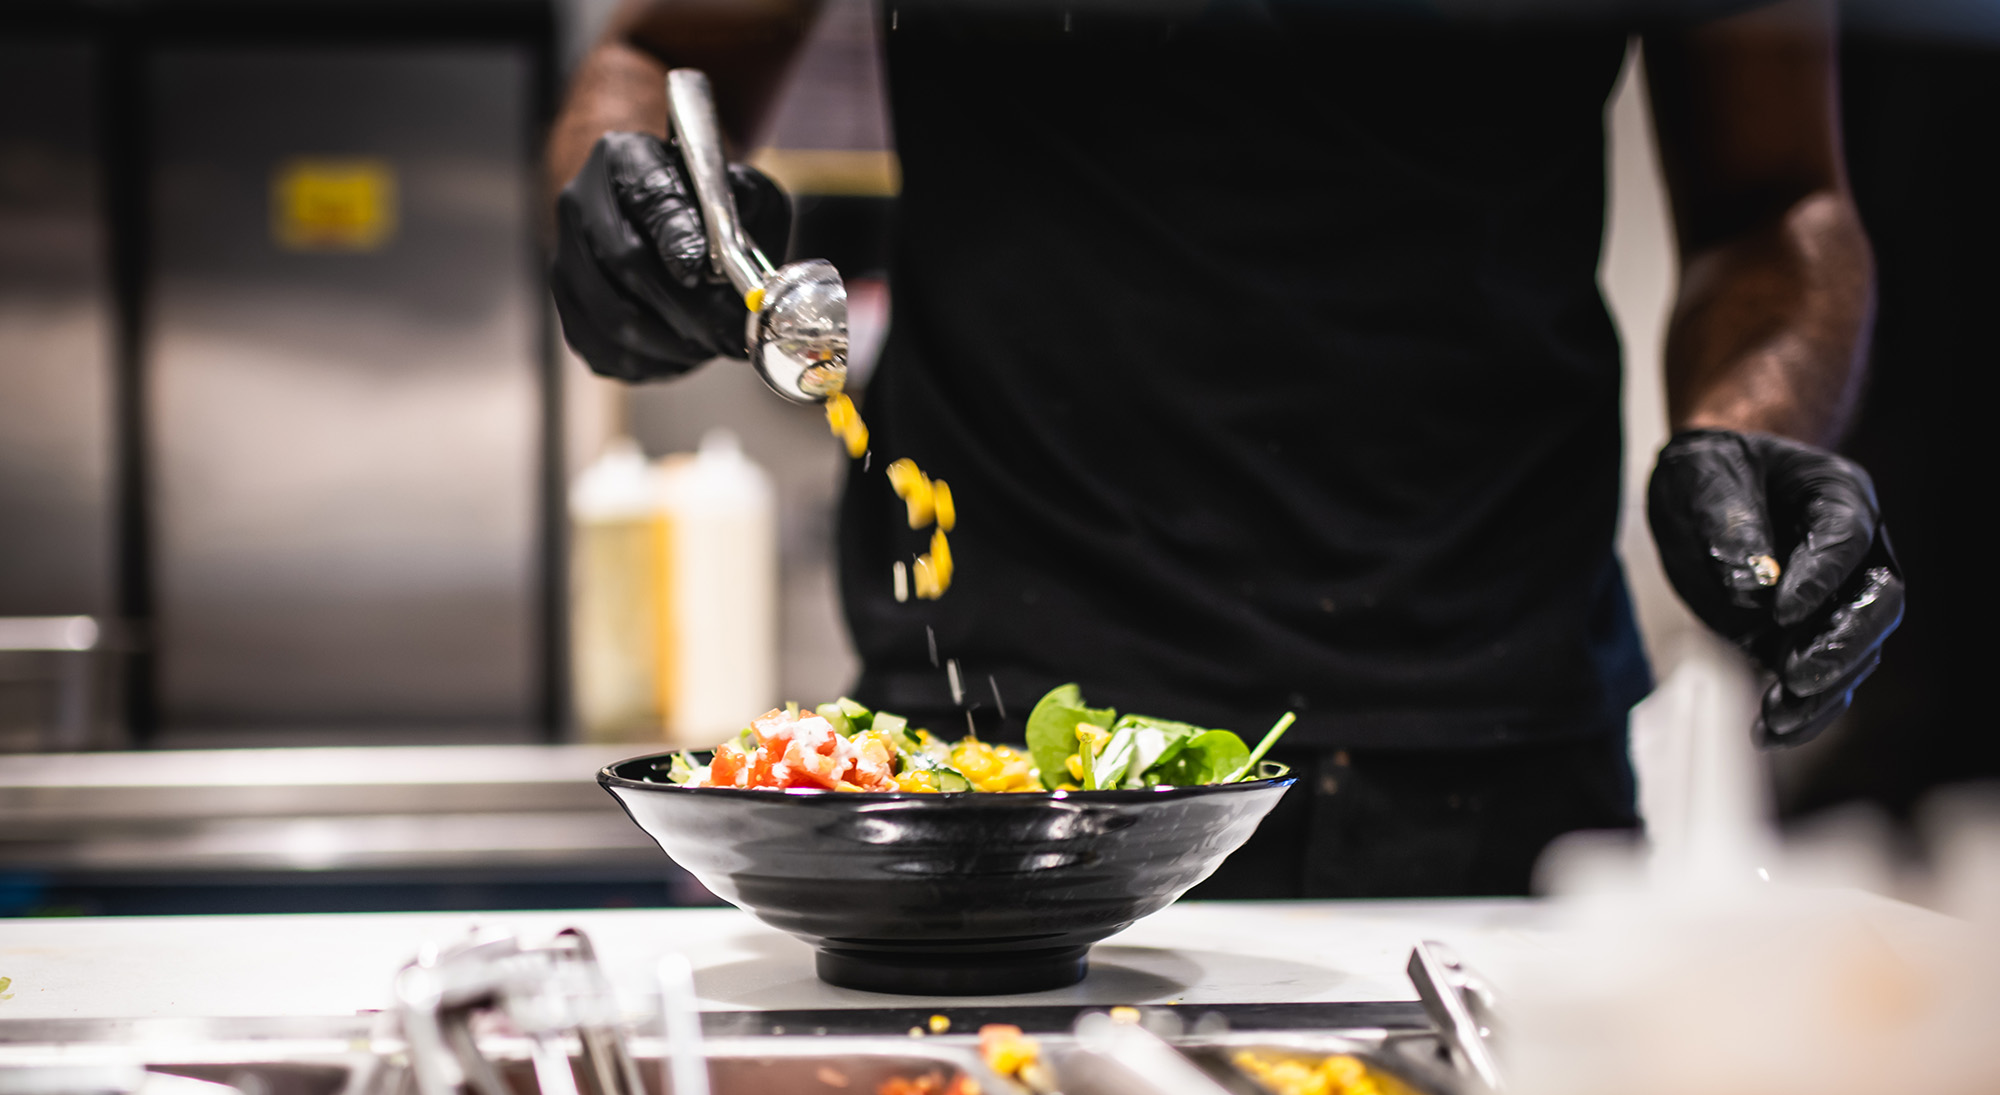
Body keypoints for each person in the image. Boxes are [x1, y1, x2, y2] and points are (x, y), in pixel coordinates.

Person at [547, 0, 1902, 898]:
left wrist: (1750, 429)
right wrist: (631, 208)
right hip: (997, 773)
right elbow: (653, 57)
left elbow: (1776, 204)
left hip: (1493, 754)